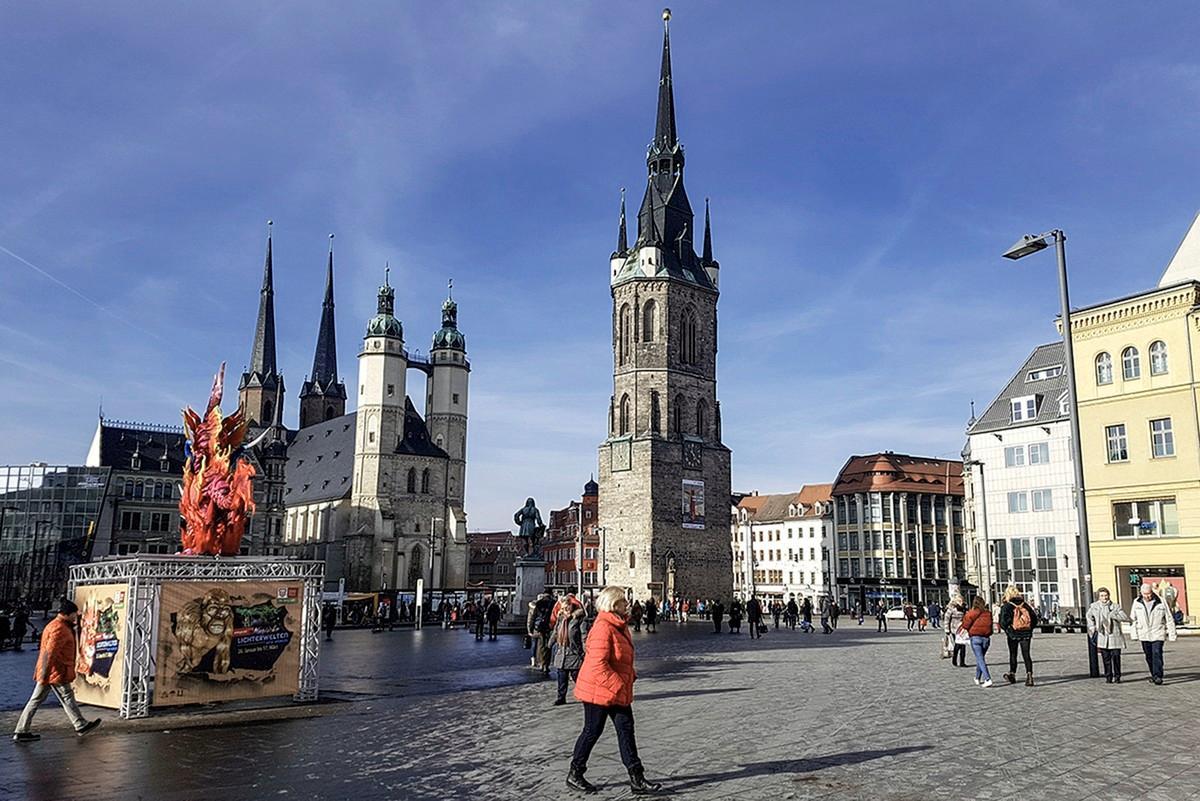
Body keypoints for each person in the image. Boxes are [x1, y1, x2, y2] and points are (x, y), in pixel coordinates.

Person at [567, 586, 662, 795]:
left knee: (626, 729)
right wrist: (618, 683)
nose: (627, 604)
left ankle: (637, 778)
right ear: (613, 604)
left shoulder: (618, 625)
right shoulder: (603, 627)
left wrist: (630, 675)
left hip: (613, 687)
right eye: (623, 601)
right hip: (599, 689)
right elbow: (597, 665)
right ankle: (575, 772)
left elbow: (619, 658)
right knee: (592, 730)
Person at [12, 599, 101, 743]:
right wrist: (45, 673)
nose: (75, 616)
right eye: (74, 614)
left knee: (36, 700)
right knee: (66, 698)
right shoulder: (59, 628)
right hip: (56, 671)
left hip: (50, 671)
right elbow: (51, 652)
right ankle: (80, 725)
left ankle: (21, 730)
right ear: (66, 614)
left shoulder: (57, 625)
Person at [1129, 583, 1176, 685]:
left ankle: (1158, 676)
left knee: (1157, 653)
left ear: (1152, 592)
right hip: (1144, 633)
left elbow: (1169, 618)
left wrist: (1172, 634)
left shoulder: (1161, 601)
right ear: (1141, 593)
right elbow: (1133, 620)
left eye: (1149, 593)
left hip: (1158, 632)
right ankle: (1153, 674)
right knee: (1148, 656)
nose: (1148, 596)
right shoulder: (1137, 602)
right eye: (1145, 594)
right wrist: (1134, 634)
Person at [1087, 587, 1129, 683]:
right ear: (1099, 597)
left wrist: (1113, 615)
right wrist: (1092, 627)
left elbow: (1125, 617)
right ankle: (1108, 676)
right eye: (1102, 596)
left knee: (1116, 657)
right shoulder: (1094, 607)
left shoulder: (1115, 606)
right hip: (1103, 635)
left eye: (1106, 595)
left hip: (1115, 635)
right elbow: (1089, 617)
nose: (1104, 598)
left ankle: (1117, 676)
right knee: (1106, 658)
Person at [999, 586, 1039, 686]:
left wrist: (1008, 630)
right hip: (1026, 633)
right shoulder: (1025, 605)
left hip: (1013, 634)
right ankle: (1029, 676)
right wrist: (1029, 629)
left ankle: (1012, 673)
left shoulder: (1007, 606)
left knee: (1013, 654)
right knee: (1026, 655)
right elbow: (1034, 619)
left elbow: (1003, 622)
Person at [552, 599, 586, 706]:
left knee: (578, 678)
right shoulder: (560, 619)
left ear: (572, 607)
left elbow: (584, 635)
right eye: (563, 608)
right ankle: (561, 698)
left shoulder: (579, 619)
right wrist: (548, 645)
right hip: (561, 653)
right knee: (562, 679)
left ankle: (586, 695)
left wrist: (586, 651)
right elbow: (555, 633)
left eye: (567, 607)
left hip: (574, 654)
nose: (565, 609)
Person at [961, 596, 994, 687]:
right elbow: (990, 625)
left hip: (975, 638)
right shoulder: (988, 613)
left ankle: (987, 678)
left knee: (980, 659)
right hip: (986, 638)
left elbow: (965, 625)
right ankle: (977, 677)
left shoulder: (971, 613)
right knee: (981, 658)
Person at [527, 592, 554, 676]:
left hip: (539, 627)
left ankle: (541, 663)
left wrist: (530, 629)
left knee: (541, 646)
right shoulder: (553, 603)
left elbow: (533, 617)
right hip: (549, 627)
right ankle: (546, 664)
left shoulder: (538, 603)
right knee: (548, 646)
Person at [943, 597, 967, 667]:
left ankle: (962, 662)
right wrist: (947, 629)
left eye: (962, 600)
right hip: (954, 629)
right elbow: (947, 619)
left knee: (963, 646)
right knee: (958, 645)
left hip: (962, 629)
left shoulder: (964, 608)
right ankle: (954, 659)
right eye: (959, 601)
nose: (961, 602)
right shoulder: (951, 609)